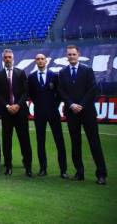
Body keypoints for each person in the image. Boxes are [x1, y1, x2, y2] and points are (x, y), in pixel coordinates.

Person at [58, 45, 107, 185]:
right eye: (69, 54)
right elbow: (61, 91)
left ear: (78, 54)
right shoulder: (62, 72)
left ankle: (101, 174)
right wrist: (71, 104)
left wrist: (82, 105)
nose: (71, 56)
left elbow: (93, 89)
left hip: (87, 112)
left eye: (73, 54)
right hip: (71, 112)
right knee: (75, 143)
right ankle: (79, 172)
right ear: (66, 56)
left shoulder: (87, 70)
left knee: (94, 142)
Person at [0, 48, 32, 177]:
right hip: (6, 113)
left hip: (20, 112)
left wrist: (17, 105)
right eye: (6, 57)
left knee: (24, 140)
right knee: (7, 140)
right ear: (2, 59)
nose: (8, 59)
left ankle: (28, 167)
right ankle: (8, 166)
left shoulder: (21, 73)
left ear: (13, 58)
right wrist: (7, 106)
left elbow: (26, 92)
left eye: (10, 57)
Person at [28, 53, 67, 178]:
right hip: (39, 114)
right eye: (38, 59)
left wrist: (53, 106)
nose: (40, 61)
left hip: (53, 113)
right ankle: (43, 168)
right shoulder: (32, 77)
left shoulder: (54, 76)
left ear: (46, 61)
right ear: (35, 61)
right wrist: (40, 105)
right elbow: (31, 95)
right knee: (40, 141)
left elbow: (59, 94)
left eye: (42, 59)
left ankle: (63, 170)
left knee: (59, 141)